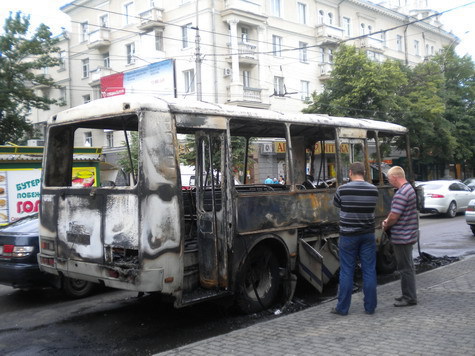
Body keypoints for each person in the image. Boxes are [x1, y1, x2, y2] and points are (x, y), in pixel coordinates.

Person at [332, 162, 379, 316]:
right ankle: (370, 307)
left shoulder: (342, 189)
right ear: (364, 173)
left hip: (348, 235)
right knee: (369, 270)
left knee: (346, 270)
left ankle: (342, 308)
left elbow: (337, 204)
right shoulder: (373, 190)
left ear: (350, 172)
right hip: (367, 234)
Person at [382, 166, 418, 307]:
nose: (389, 181)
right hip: (408, 234)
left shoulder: (401, 193)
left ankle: (409, 297)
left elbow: (394, 216)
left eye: (389, 178)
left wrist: (386, 223)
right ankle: (407, 294)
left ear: (395, 177)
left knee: (405, 268)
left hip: (402, 236)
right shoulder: (409, 189)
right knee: (407, 266)